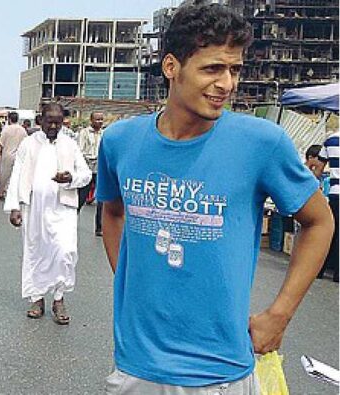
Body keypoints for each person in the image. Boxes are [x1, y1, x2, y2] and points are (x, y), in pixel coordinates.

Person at [95, 5, 334, 393]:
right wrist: (131, 283)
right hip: (136, 367)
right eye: (212, 69)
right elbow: (113, 212)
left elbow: (320, 221)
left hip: (220, 372)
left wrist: (280, 314)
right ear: (171, 67)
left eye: (234, 70)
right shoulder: (121, 141)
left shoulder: (261, 144)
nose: (226, 83)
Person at [4, 102, 91, 325]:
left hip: (63, 208)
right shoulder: (28, 143)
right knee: (36, 252)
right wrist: (14, 206)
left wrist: (70, 178)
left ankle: (59, 298)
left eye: (58, 122)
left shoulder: (70, 144)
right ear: (40, 120)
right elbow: (17, 174)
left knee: (65, 252)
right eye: (49, 121)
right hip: (33, 208)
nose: (53, 125)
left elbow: (86, 174)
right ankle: (37, 298)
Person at [76, 112, 106, 236]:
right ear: (91, 120)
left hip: (100, 168)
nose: (99, 122)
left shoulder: (105, 134)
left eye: (101, 119)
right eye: (97, 119)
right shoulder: (84, 133)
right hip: (87, 167)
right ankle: (71, 220)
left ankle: (99, 228)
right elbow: (79, 150)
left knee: (101, 200)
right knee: (81, 197)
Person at [315, 132, 338, 282]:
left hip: (336, 193)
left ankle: (319, 269)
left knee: (330, 231)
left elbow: (318, 169)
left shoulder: (331, 139)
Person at [0, 111, 27, 200]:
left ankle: (0, 192)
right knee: (15, 175)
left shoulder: (6, 129)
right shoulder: (23, 130)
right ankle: (10, 192)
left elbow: (0, 144)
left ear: (9, 119)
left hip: (7, 155)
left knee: (4, 175)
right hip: (19, 156)